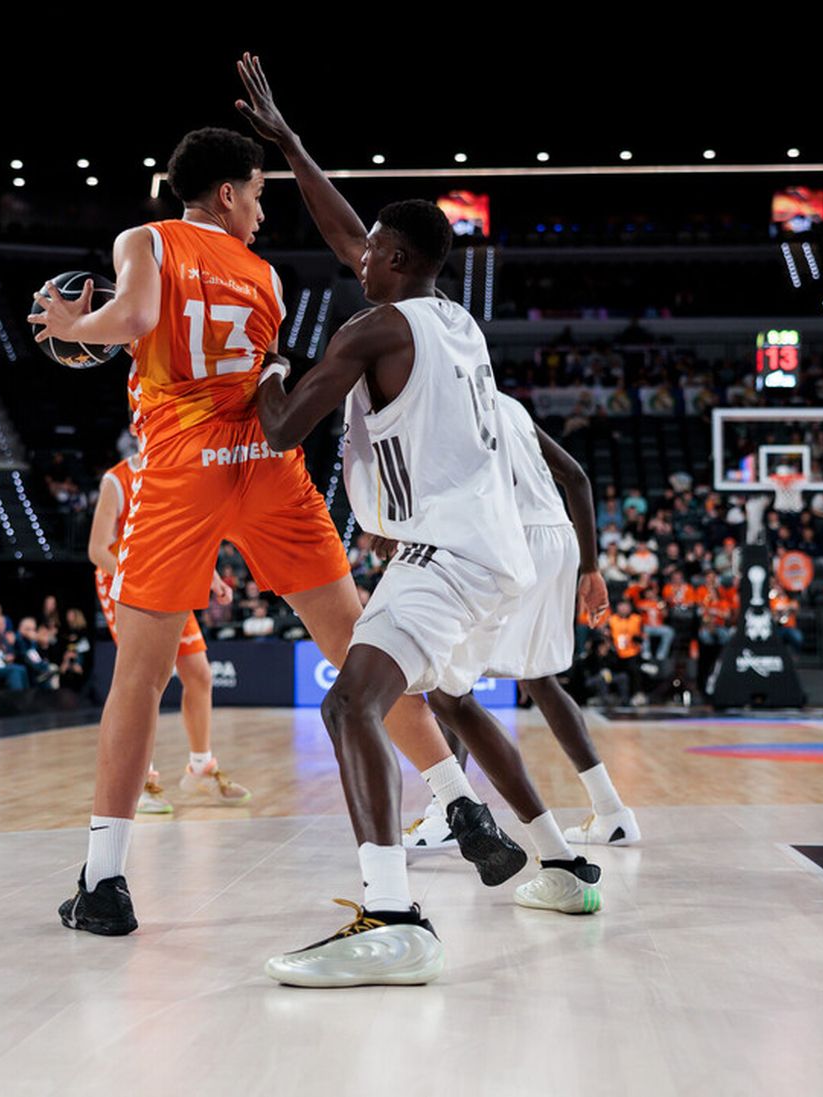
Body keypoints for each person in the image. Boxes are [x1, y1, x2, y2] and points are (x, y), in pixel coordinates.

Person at [33, 98, 480, 971]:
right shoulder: (265, 277)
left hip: (183, 468)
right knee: (361, 648)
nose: (265, 208)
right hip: (270, 467)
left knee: (141, 676)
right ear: (230, 194)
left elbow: (126, 323)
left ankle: (105, 881)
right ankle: (460, 798)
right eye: (262, 194)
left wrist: (66, 329)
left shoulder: (147, 239)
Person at [237, 53, 601, 985]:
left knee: (348, 700)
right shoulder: (451, 318)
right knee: (446, 701)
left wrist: (266, 360)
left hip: (441, 554)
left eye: (368, 256)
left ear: (393, 265)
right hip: (497, 555)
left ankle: (392, 917)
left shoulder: (373, 328)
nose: (354, 259)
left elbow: (280, 425)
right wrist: (292, 146)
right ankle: (558, 864)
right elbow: (351, 231)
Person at [403, 398, 639, 855]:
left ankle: (449, 812)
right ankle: (611, 812)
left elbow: (462, 490)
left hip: (514, 539)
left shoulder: (449, 405)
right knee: (540, 679)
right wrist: (590, 568)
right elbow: (577, 477)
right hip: (560, 537)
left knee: (449, 682)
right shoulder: (508, 404)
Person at [89, 453, 252, 812]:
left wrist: (209, 576)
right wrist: (139, 581)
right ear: (137, 424)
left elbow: (188, 536)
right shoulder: (116, 480)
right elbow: (97, 550)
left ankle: (200, 769)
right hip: (124, 582)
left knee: (200, 674)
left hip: (169, 578)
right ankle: (140, 781)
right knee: (140, 680)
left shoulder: (177, 469)